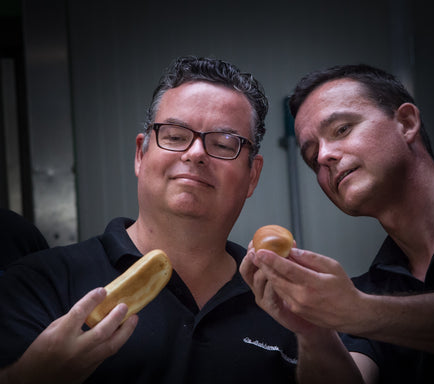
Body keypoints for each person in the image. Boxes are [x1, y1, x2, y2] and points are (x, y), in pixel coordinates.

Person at [0, 56, 335, 383]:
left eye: (223, 143)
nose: (195, 153)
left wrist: (314, 334)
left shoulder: (288, 303)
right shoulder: (39, 283)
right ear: (140, 155)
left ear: (252, 176)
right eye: (175, 136)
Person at [240, 64, 434, 383]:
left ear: (406, 123)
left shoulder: (359, 302)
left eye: (341, 129)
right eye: (312, 158)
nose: (324, 156)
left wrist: (355, 311)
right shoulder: (368, 290)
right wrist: (313, 329)